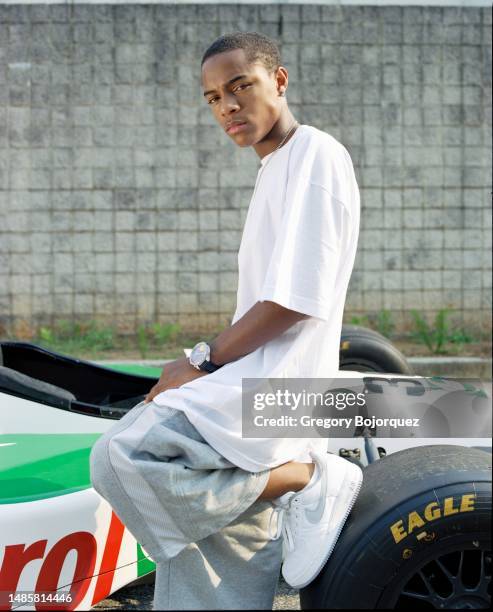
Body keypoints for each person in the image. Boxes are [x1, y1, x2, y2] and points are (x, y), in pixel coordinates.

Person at [90, 31, 362, 610]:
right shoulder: (276, 168)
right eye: (213, 97)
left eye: (240, 87)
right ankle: (273, 495)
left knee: (122, 456)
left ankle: (304, 478)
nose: (227, 107)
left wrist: (201, 361)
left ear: (279, 81)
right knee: (214, 547)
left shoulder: (314, 154)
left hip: (276, 391)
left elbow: (295, 298)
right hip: (259, 384)